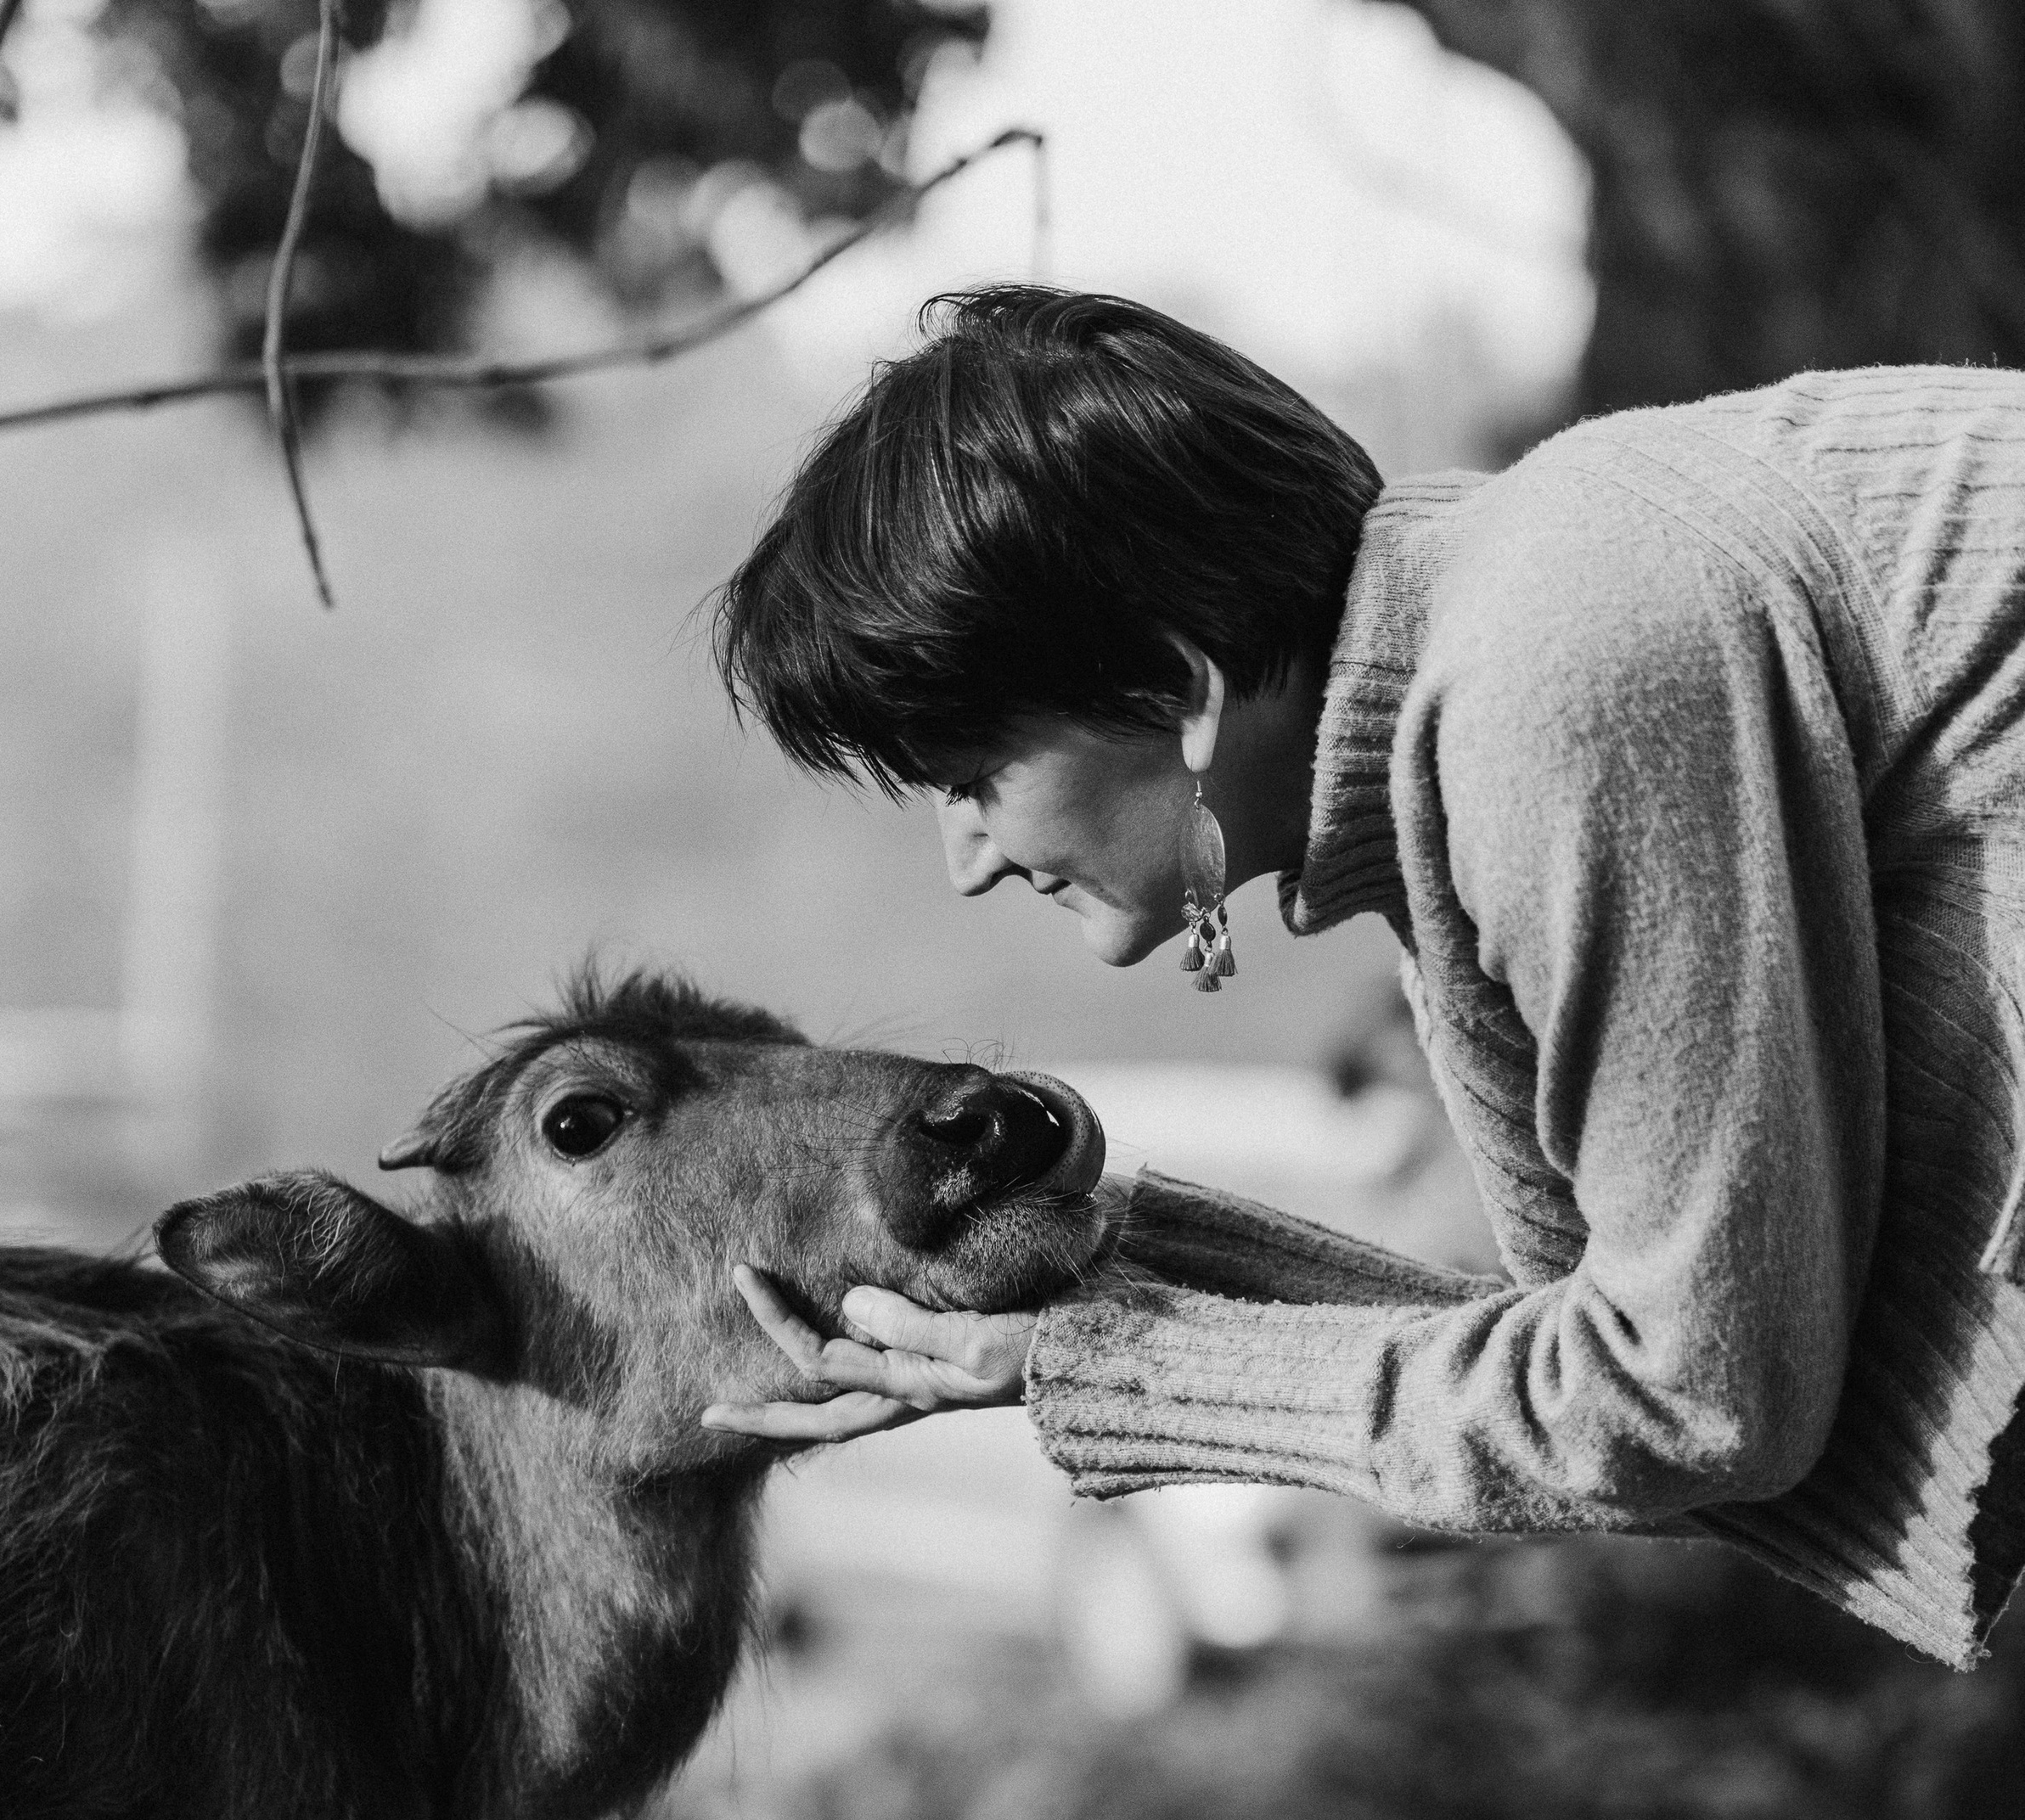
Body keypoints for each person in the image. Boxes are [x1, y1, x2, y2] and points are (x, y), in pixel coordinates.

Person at [702, 284, 2025, 1671]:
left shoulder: (1553, 674)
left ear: (1178, 689)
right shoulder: (1475, 702)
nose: (968, 858)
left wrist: (1109, 1364)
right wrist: (1093, 1281)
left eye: (972, 775)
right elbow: (1595, 1371)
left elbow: (1697, 1402)